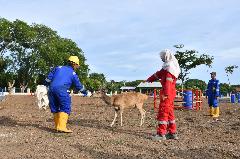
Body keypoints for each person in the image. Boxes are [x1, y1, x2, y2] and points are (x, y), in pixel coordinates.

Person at [44, 56, 88, 133]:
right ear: (74, 64)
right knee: (65, 107)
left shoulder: (58, 68)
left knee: (55, 107)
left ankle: (57, 126)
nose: (77, 67)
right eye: (77, 66)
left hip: (51, 90)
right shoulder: (73, 73)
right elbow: (78, 86)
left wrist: (46, 85)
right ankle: (61, 127)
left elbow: (48, 79)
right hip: (62, 90)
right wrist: (85, 92)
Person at [146, 49, 180, 141]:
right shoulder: (168, 68)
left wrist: (166, 94)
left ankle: (161, 134)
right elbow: (158, 74)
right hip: (170, 93)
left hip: (167, 93)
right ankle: (172, 133)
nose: (161, 59)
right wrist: (149, 79)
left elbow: (168, 83)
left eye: (162, 57)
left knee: (163, 112)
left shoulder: (169, 69)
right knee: (170, 113)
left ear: (166, 57)